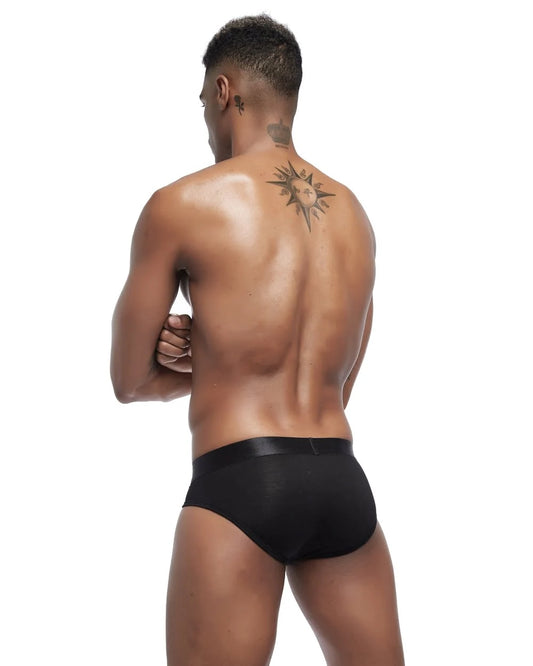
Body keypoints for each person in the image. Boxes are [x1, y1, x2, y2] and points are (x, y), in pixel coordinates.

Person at [110, 14, 404, 666]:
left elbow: (128, 380)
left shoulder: (181, 204)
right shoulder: (355, 217)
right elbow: (338, 381)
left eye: (202, 105)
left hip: (240, 482)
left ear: (224, 91)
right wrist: (230, 354)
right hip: (340, 482)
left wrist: (207, 360)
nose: (205, 124)